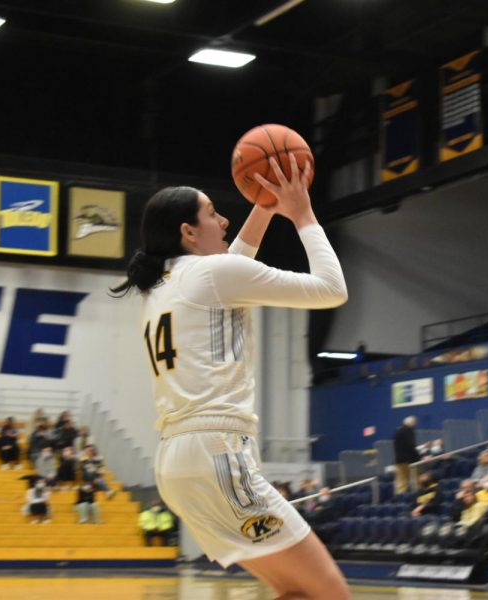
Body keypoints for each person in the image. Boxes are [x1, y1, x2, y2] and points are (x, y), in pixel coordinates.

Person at [110, 156, 350, 599]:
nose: (224, 220)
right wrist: (302, 214)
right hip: (217, 456)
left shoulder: (163, 283)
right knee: (330, 594)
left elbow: (231, 262)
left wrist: (264, 205)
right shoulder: (211, 275)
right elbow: (333, 290)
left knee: (296, 592)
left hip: (179, 463)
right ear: (188, 232)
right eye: (212, 213)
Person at [393, 416, 420, 494]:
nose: (415, 425)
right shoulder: (409, 431)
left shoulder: (397, 432)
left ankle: (401, 498)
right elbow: (411, 445)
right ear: (411, 423)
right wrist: (418, 457)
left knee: (401, 482)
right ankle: (417, 494)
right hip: (409, 461)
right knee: (416, 479)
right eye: (414, 423)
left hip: (398, 460)